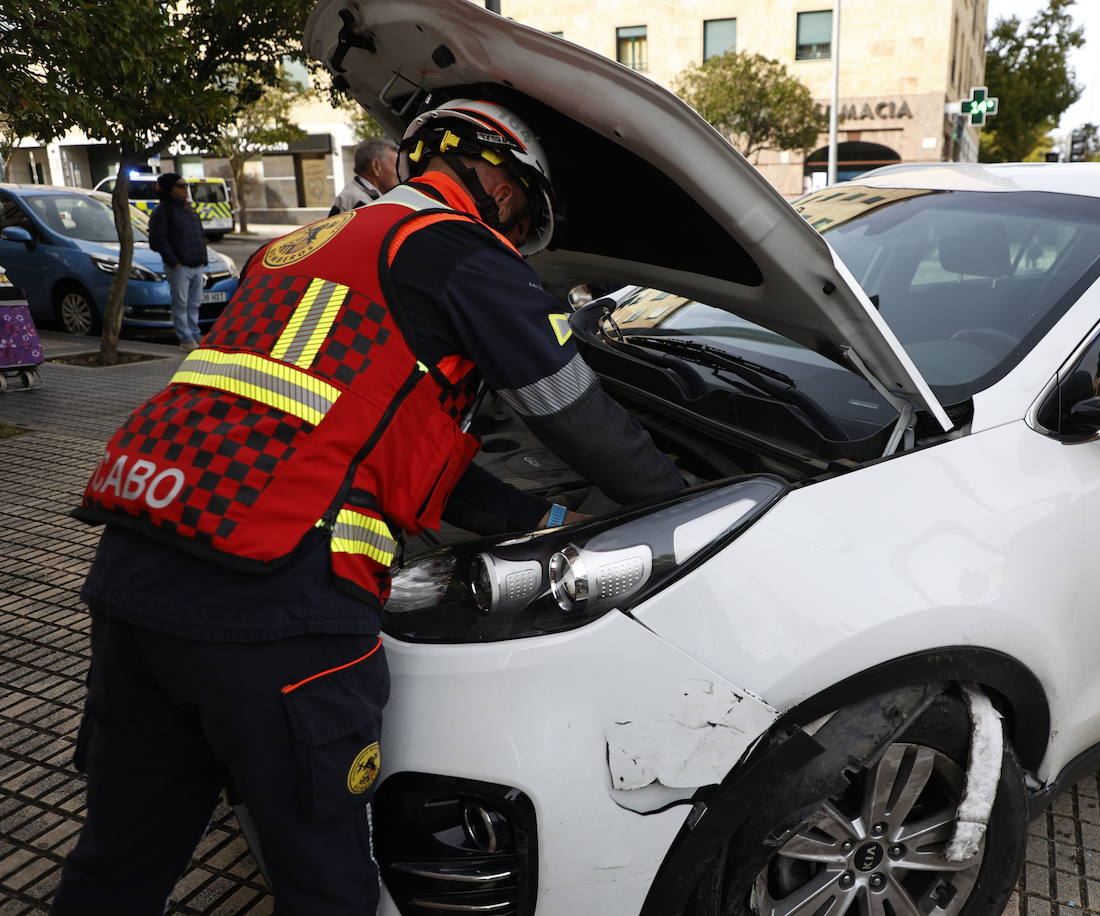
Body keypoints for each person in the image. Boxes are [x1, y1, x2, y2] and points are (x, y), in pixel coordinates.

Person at [52, 98, 685, 915]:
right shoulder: (460, 252)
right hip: (277, 606)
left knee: (118, 863)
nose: (516, 231)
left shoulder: (291, 251)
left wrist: (531, 522)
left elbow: (355, 430)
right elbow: (571, 410)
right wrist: (679, 504)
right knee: (328, 884)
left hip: (137, 572)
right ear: (493, 173)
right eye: (522, 211)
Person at [146, 172, 208, 352]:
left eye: (186, 185)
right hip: (180, 267)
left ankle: (195, 335)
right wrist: (174, 262)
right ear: (169, 189)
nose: (185, 189)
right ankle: (186, 338)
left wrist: (202, 259)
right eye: (180, 186)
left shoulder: (189, 209)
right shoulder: (163, 211)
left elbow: (199, 235)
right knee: (180, 303)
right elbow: (158, 240)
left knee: (194, 303)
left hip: (196, 264)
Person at [328, 136, 400, 215]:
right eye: (396, 165)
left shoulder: (363, 197)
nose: (399, 172)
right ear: (376, 166)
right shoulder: (358, 203)